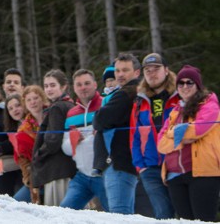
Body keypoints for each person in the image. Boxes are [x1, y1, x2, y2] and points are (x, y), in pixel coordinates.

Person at [157, 65, 220, 222]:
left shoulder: (210, 105)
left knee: (203, 220)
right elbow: (161, 144)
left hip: (202, 173)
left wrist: (173, 134)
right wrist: (178, 138)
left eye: (189, 82)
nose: (185, 86)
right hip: (174, 176)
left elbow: (197, 130)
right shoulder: (175, 111)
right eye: (181, 83)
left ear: (197, 85)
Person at [129, 53, 178, 219]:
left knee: (186, 214)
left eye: (156, 69)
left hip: (176, 164)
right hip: (150, 167)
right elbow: (133, 135)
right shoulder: (140, 100)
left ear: (166, 70)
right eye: (147, 70)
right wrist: (139, 165)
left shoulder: (180, 96)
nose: (152, 73)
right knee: (163, 215)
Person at [93, 52, 141, 214]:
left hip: (119, 161)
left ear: (136, 72)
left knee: (119, 215)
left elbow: (100, 120)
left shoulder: (126, 93)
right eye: (118, 70)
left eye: (125, 70)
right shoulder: (133, 91)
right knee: (126, 214)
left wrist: (100, 116)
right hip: (126, 161)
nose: (120, 74)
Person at [60, 69, 108, 212]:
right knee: (64, 212)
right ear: (74, 88)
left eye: (87, 83)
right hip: (82, 175)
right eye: (79, 85)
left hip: (104, 173)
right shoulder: (71, 114)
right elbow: (66, 149)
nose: (83, 87)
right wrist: (75, 141)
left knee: (115, 215)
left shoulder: (105, 105)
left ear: (95, 84)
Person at [31, 69, 76, 206]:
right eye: (46, 86)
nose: (49, 89)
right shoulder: (70, 105)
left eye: (53, 85)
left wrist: (38, 154)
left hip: (57, 170)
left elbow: (53, 140)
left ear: (63, 87)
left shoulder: (57, 107)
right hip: (67, 168)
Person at [13, 85, 48, 203]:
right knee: (17, 201)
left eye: (35, 98)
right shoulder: (23, 129)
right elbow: (21, 158)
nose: (33, 102)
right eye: (29, 100)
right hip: (35, 174)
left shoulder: (52, 117)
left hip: (53, 170)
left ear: (42, 98)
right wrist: (28, 177)